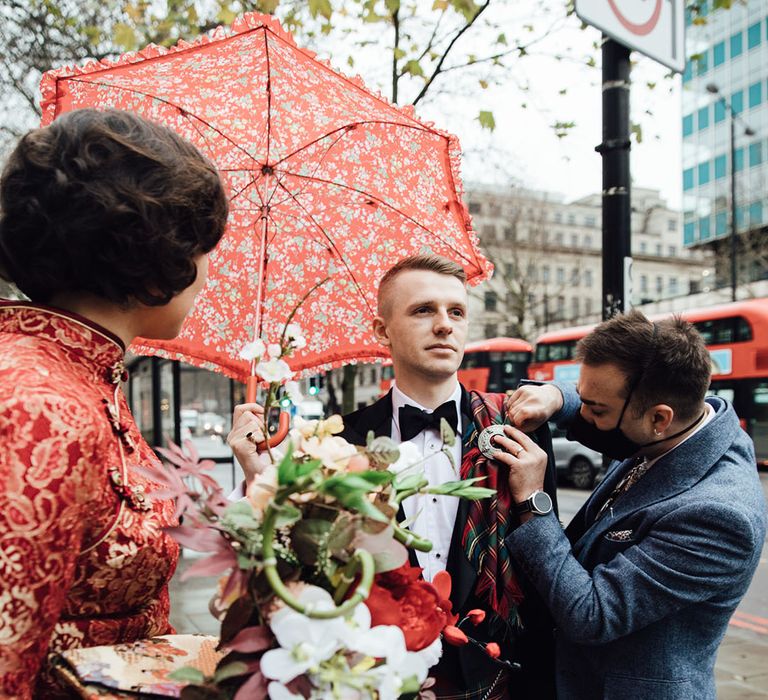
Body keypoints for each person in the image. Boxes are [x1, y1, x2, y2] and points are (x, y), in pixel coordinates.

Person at [228, 254, 559, 699]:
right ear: (381, 330)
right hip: (376, 677)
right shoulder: (335, 439)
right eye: (423, 310)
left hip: (496, 677)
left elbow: (545, 577)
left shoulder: (517, 428)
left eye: (456, 312)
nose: (445, 325)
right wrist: (257, 473)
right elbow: (302, 569)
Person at [0, 108, 228, 698]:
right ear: (157, 250)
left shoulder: (84, 375)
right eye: (203, 245)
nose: (208, 272)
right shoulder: (41, 407)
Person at [495, 310, 767, 700]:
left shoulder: (719, 516)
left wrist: (533, 502)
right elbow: (599, 405)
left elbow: (592, 615)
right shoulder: (689, 420)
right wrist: (557, 395)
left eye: (597, 410)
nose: (585, 416)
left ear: (659, 418)